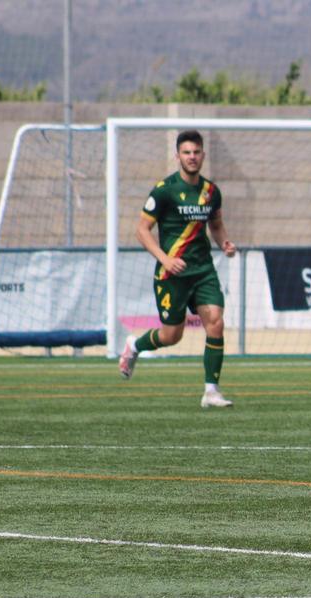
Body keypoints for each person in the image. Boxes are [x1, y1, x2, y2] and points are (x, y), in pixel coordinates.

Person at [119, 129, 238, 408]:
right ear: (178, 156)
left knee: (216, 322)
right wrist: (165, 259)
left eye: (196, 152)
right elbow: (142, 230)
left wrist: (225, 243)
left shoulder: (211, 192)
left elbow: (217, 226)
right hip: (172, 274)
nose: (192, 157)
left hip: (203, 270)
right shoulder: (164, 191)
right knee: (172, 335)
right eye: (186, 152)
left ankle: (211, 391)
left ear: (203, 155)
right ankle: (134, 346)